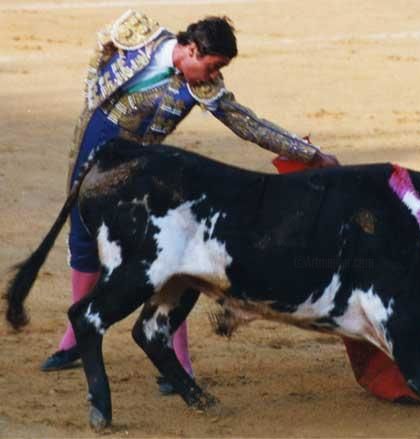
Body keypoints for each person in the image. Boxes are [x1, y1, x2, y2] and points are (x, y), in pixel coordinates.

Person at [41, 10, 339, 395]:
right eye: (212, 66)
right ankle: (73, 339)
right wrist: (90, 95)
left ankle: (178, 362)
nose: (214, 76)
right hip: (91, 145)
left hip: (135, 169)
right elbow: (103, 45)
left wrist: (308, 153)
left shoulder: (202, 87)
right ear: (192, 50)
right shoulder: (138, 33)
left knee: (164, 263)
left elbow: (247, 123)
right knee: (82, 238)